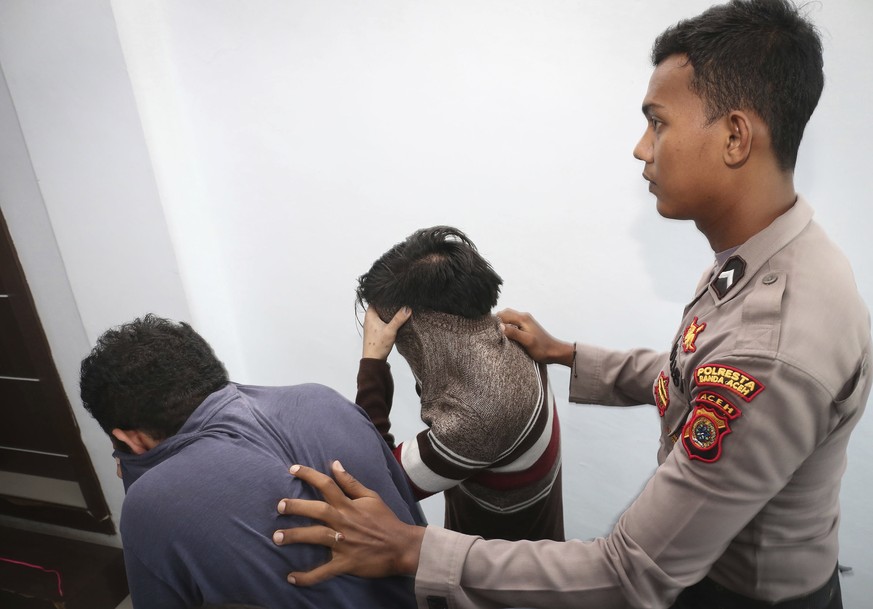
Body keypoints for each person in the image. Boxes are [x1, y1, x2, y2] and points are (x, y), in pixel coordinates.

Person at [271, 1, 871, 608]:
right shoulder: (764, 259)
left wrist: (412, 550)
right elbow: (694, 373)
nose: (642, 148)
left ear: (735, 136)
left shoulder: (770, 347)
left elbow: (631, 573)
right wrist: (568, 354)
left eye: (657, 123)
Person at [79, 314, 423, 609]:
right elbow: (408, 515)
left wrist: (143, 480)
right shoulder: (322, 398)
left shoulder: (150, 503)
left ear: (129, 438)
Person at [354, 226, 564, 541]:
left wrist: (372, 362)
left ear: (422, 335)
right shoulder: (512, 338)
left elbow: (371, 485)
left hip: (497, 578)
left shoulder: (477, 414)